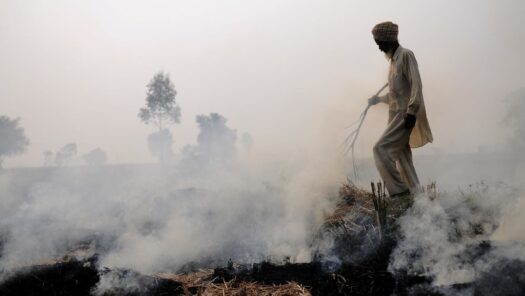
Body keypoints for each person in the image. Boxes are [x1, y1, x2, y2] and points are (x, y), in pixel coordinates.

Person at [368, 21, 433, 197]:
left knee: (380, 150)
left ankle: (399, 193)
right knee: (402, 157)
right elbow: (395, 96)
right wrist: (378, 100)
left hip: (405, 115)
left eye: (380, 43)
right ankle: (416, 193)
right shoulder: (392, 63)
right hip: (396, 115)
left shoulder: (406, 56)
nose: (379, 48)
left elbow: (416, 85)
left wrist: (412, 111)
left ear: (389, 40)